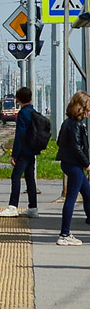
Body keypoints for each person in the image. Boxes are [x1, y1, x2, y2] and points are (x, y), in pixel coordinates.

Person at [0, 86, 40, 218]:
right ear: (30, 98)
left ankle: (12, 206)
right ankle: (33, 208)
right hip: (32, 151)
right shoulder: (33, 112)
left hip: (23, 152)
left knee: (15, 177)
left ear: (18, 99)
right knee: (30, 178)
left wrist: (14, 155)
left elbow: (20, 135)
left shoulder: (22, 113)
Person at [56, 91, 90, 246]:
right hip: (75, 165)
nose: (89, 112)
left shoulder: (67, 123)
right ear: (81, 107)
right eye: (88, 108)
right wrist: (86, 163)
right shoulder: (76, 125)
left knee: (88, 195)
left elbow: (59, 142)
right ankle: (64, 234)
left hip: (69, 163)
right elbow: (77, 147)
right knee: (71, 198)